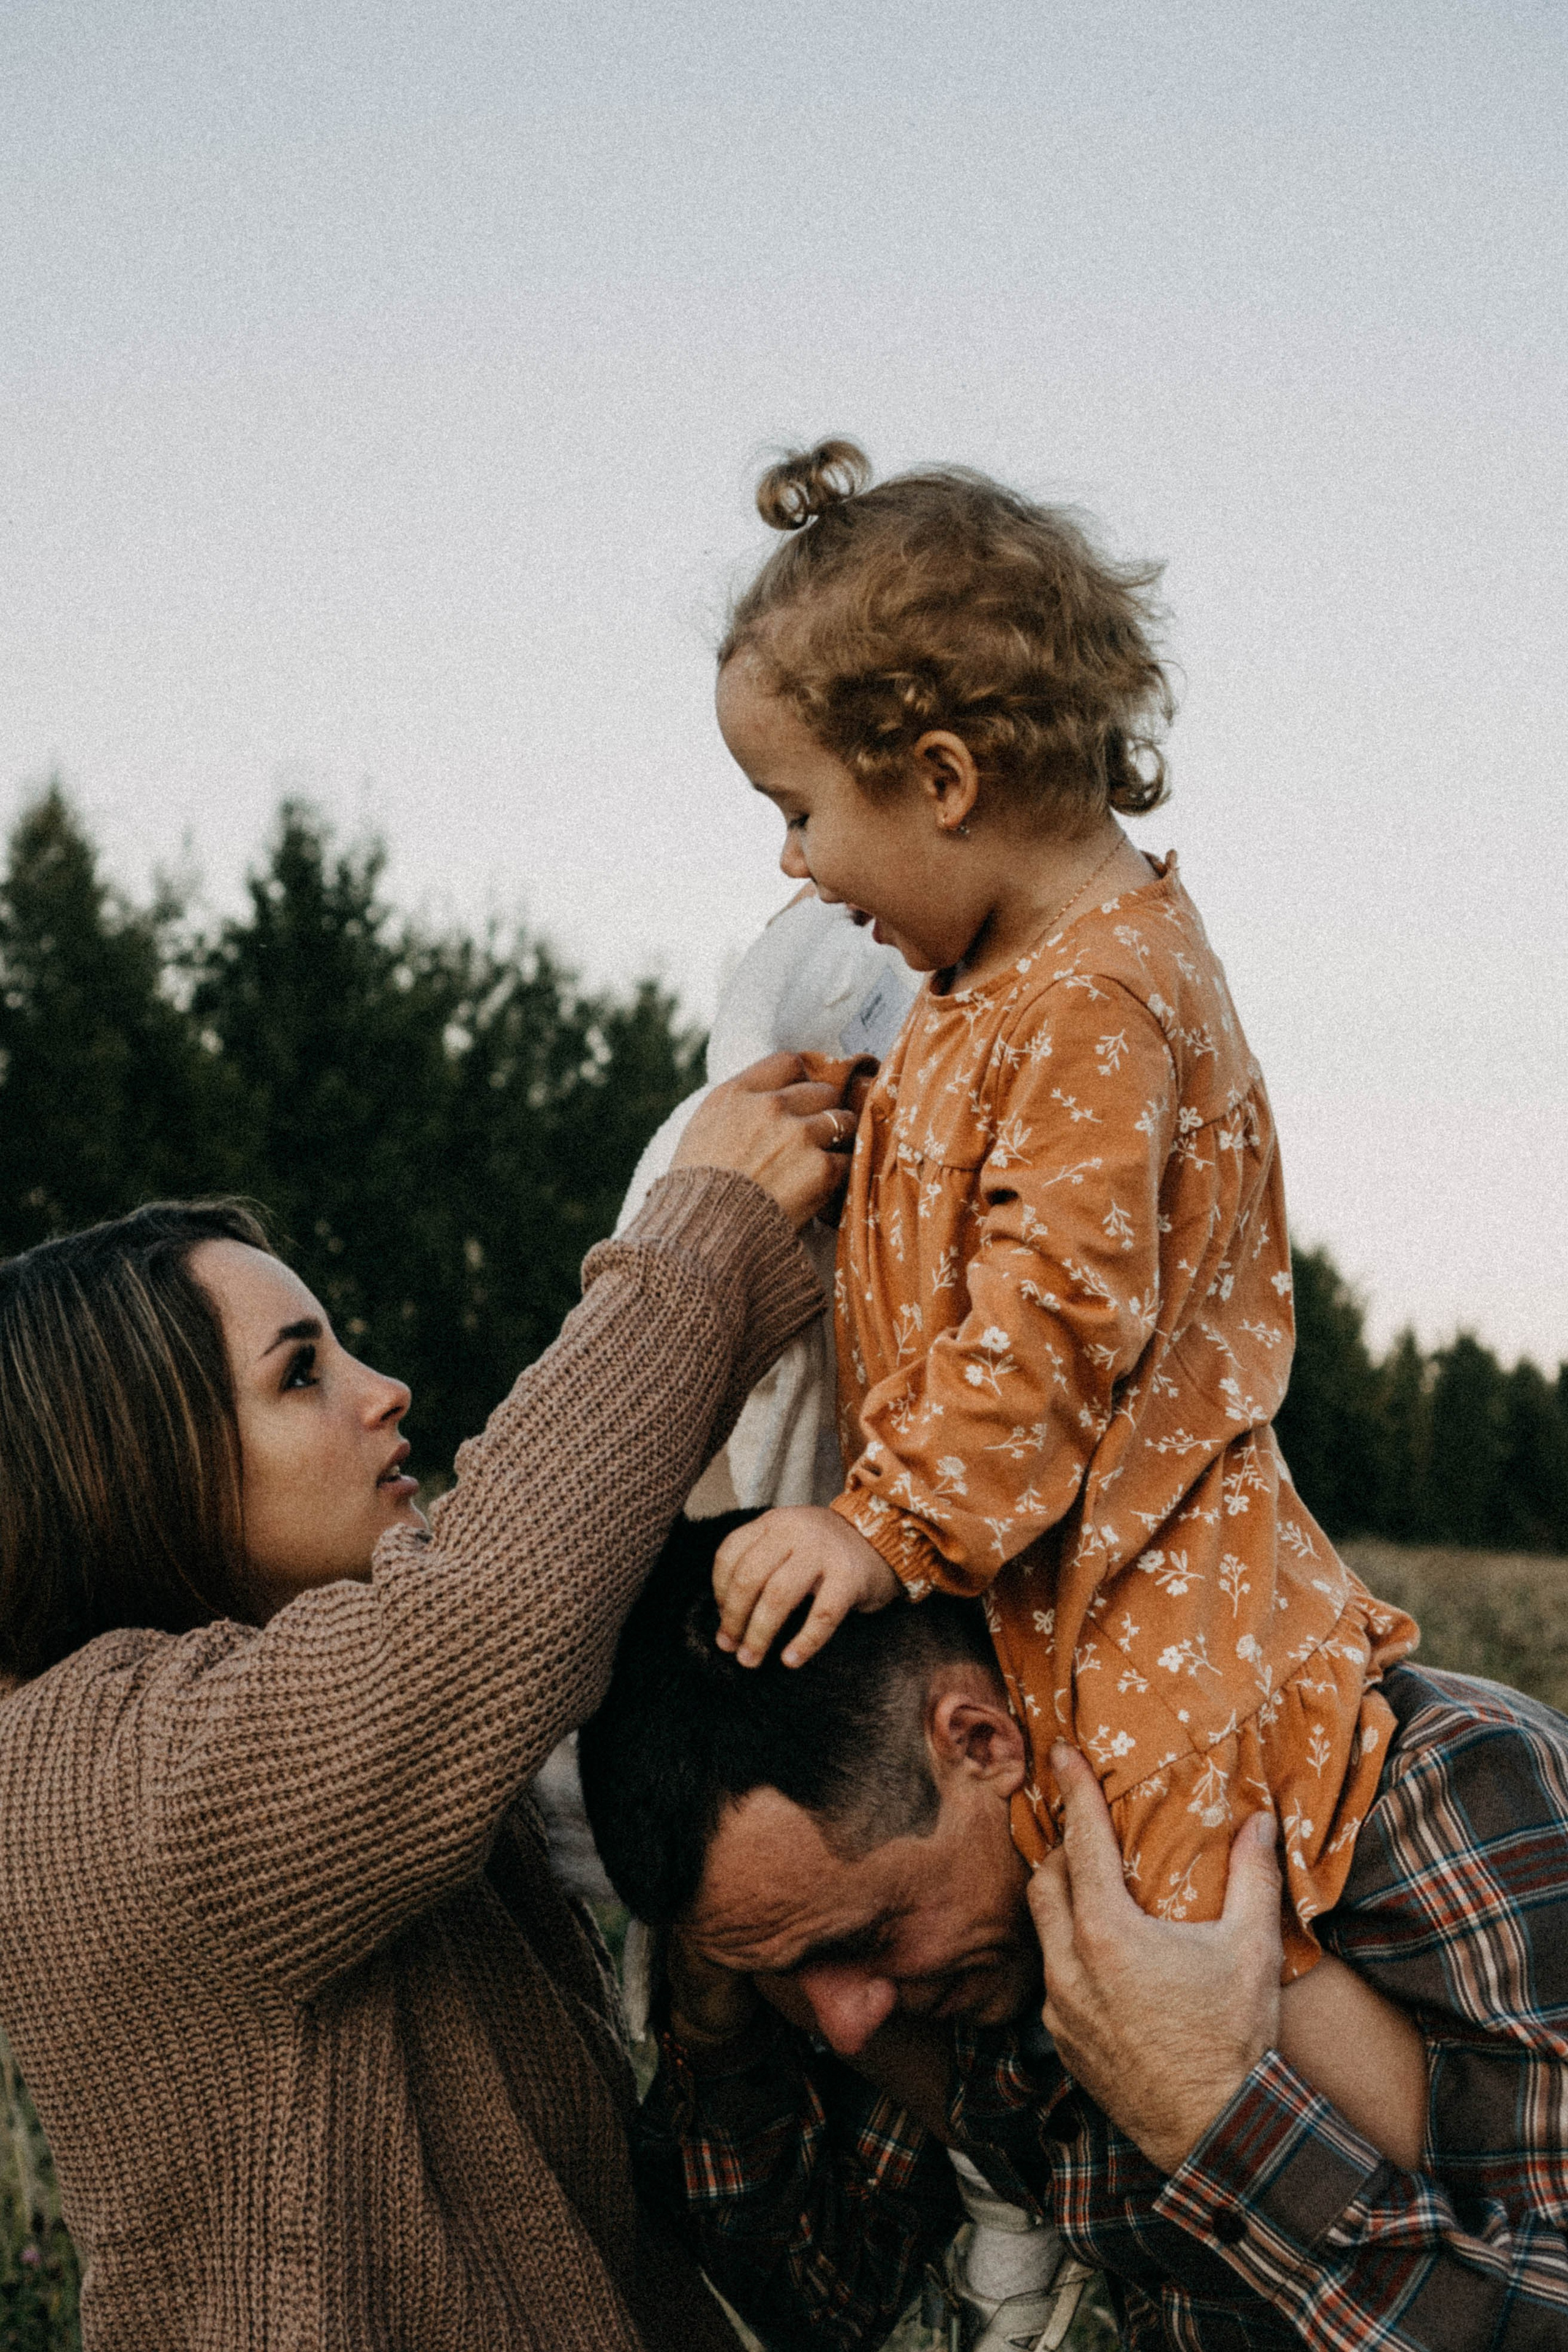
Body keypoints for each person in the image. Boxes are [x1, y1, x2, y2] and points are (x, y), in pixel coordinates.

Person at [696, 442, 1419, 2109]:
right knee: (1050, 1926)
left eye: (799, 813)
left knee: (1205, 1948)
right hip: (1064, 1587)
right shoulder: (996, 973)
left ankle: (1427, 2167)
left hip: (1158, 1595)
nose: (795, 869)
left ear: (942, 778)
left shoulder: (1099, 999)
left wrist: (880, 1524)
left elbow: (1052, 1321)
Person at [0, 1052, 855, 2352]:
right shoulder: (87, 1785)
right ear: (135, 1468)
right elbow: (492, 1611)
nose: (382, 1389)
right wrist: (701, 1229)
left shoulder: (306, 1731)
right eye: (300, 1374)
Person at [579, 1517, 1568, 2351]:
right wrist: (717, 2030)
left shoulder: (1445, 1798)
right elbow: (820, 2304)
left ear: (979, 1743)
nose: (848, 2025)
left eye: (867, 1935)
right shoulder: (953, 1955)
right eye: (787, 1968)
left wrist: (1219, 2125)